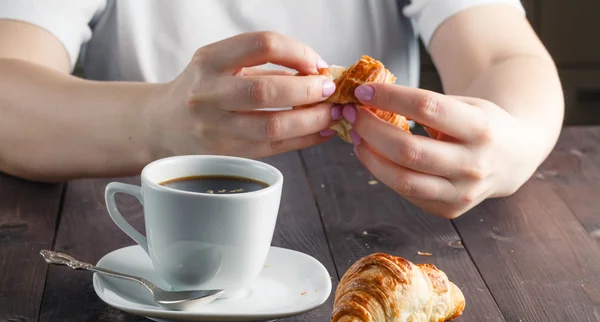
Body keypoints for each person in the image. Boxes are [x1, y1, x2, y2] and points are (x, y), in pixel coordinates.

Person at [0, 1, 564, 218]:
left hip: (376, 224)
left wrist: (512, 139)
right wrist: (157, 121)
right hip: (141, 235)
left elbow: (503, 55)